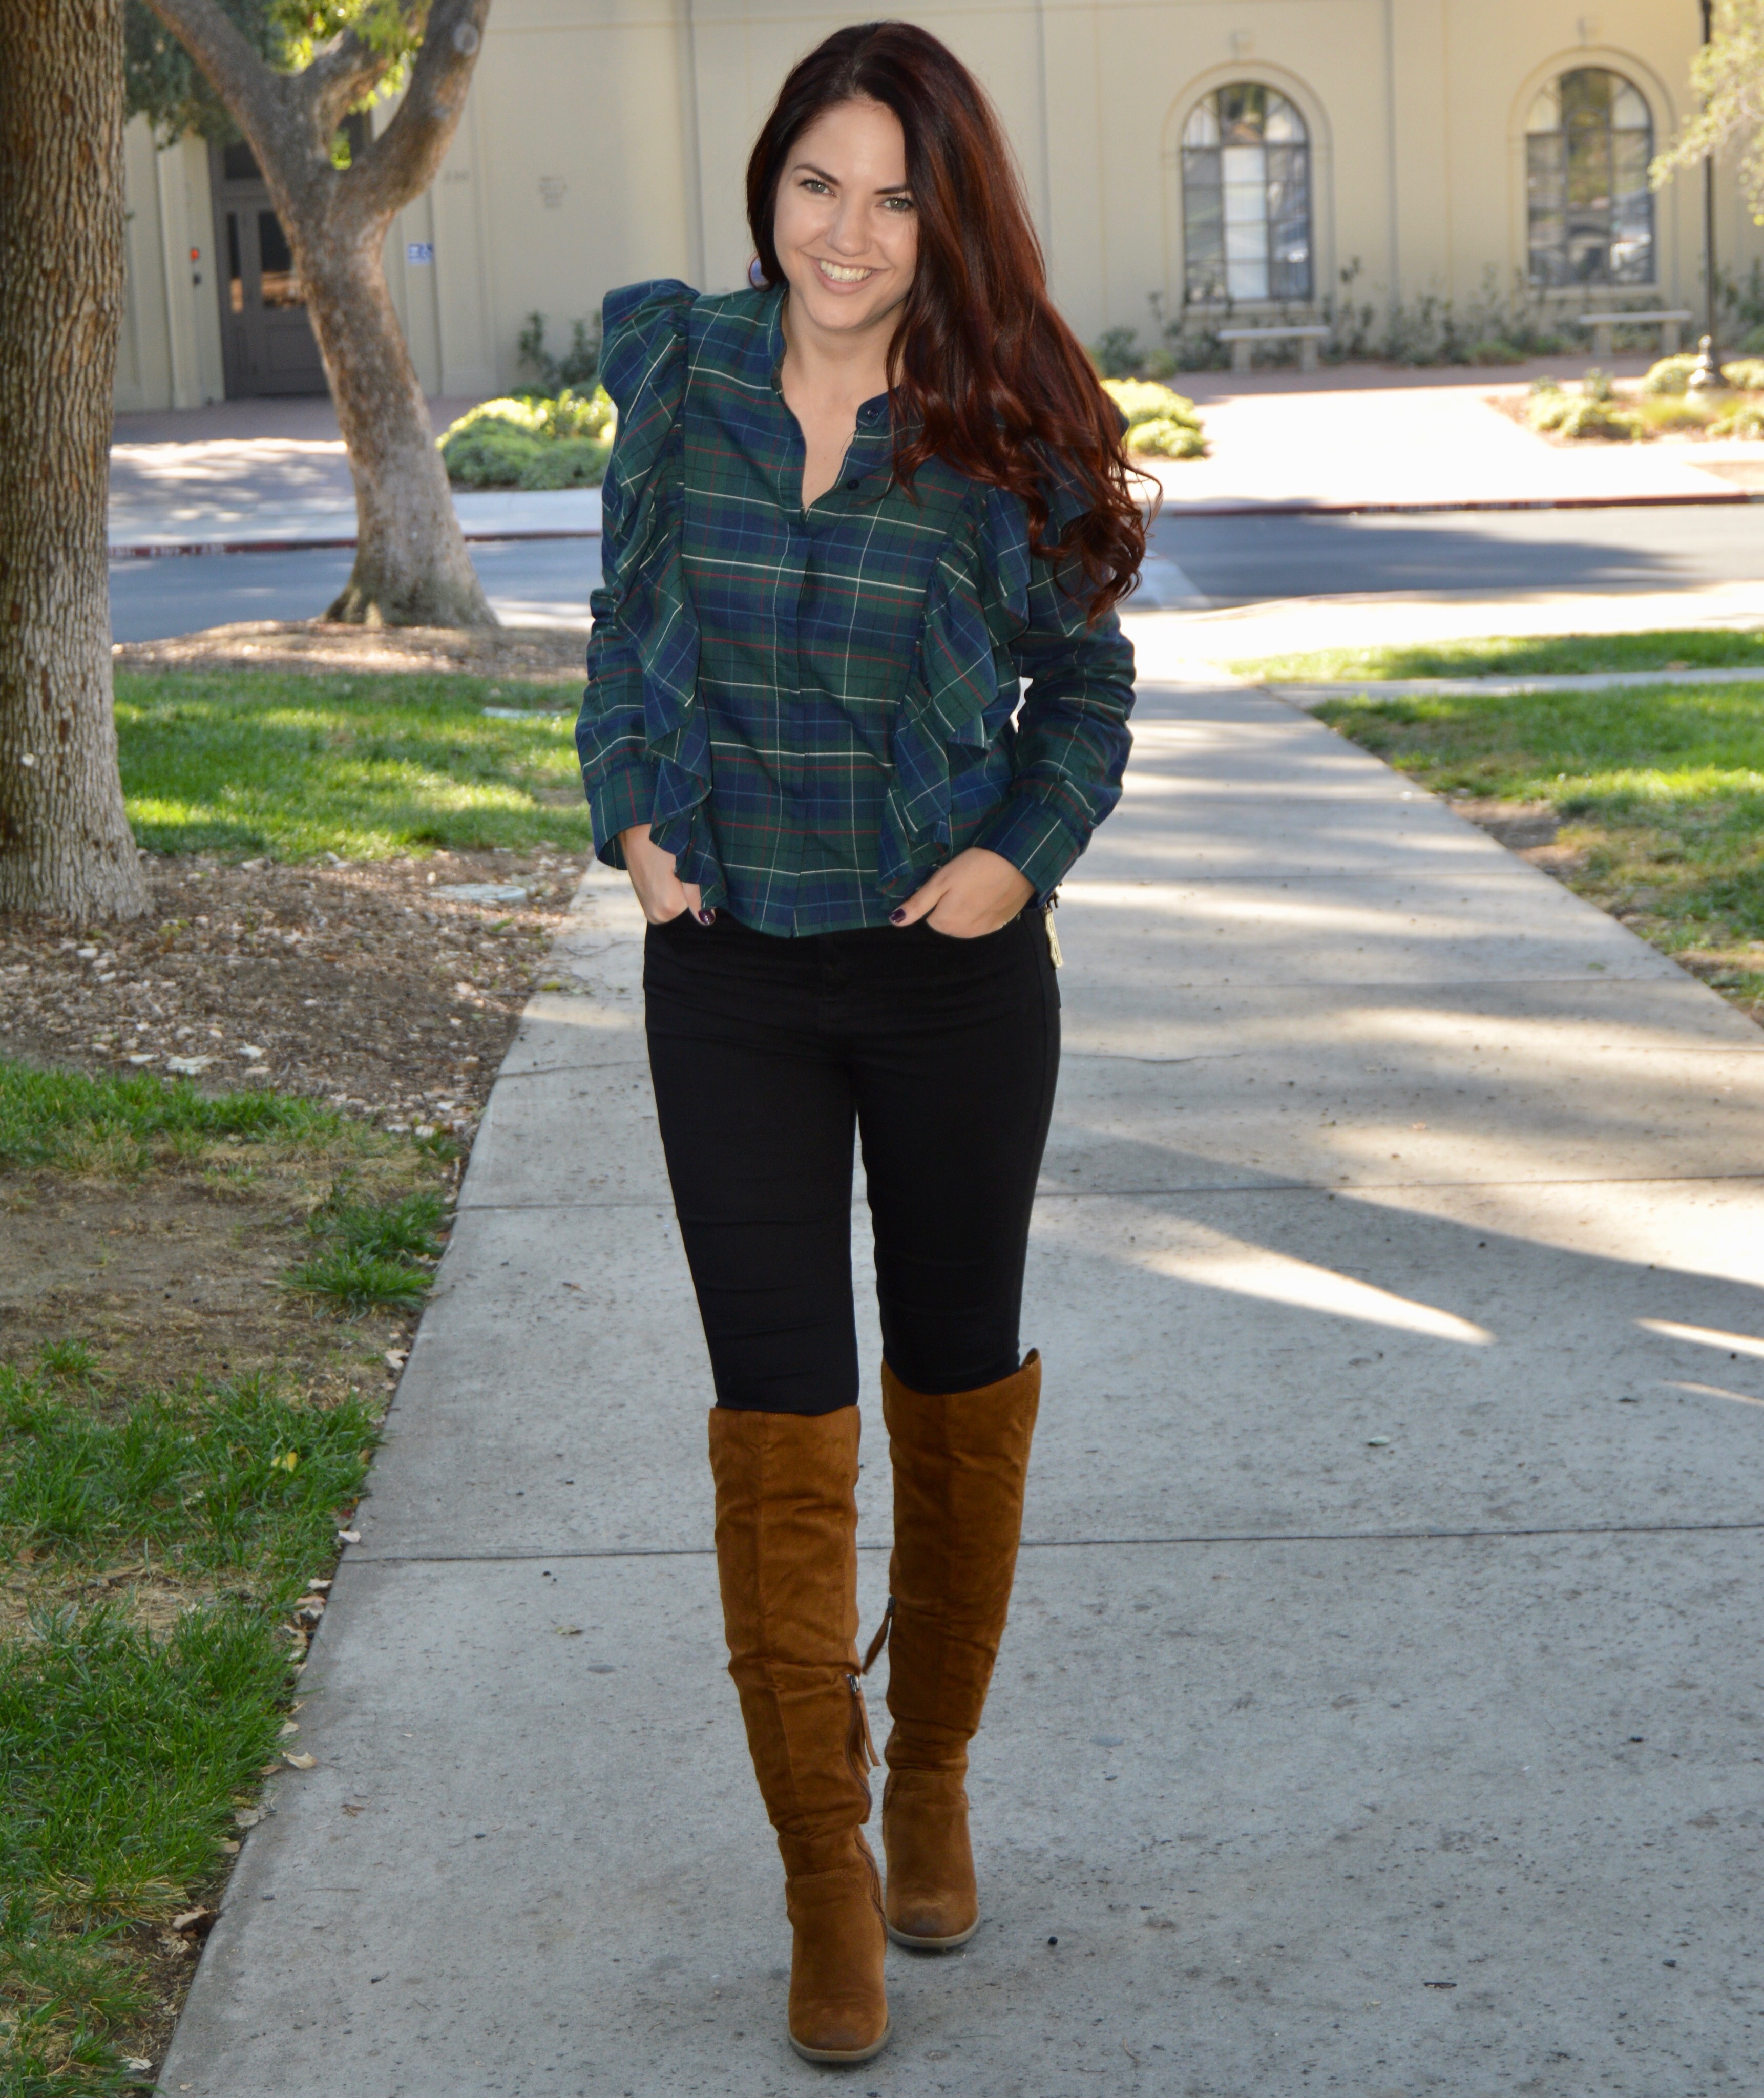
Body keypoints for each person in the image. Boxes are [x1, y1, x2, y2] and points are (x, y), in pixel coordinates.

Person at [576, 17, 1142, 2067]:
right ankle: (823, 1870)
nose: (847, 230)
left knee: (957, 1388)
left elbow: (1087, 696)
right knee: (780, 1425)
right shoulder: (682, 374)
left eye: (896, 197)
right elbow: (621, 634)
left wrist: (1016, 857)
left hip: (948, 984)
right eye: (817, 182)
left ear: (945, 219)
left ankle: (932, 1780)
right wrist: (630, 816)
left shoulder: (1006, 420)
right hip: (728, 974)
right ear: (770, 189)